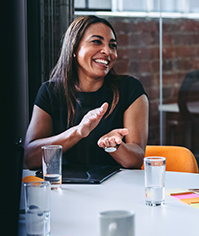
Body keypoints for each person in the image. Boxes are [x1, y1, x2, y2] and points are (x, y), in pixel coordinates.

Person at [24, 15, 148, 170]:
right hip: (63, 189)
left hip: (115, 189)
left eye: (112, 45)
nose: (107, 51)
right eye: (96, 42)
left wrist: (114, 146)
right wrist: (78, 132)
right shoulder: (50, 92)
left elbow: (136, 159)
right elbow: (30, 158)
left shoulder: (130, 89)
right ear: (74, 49)